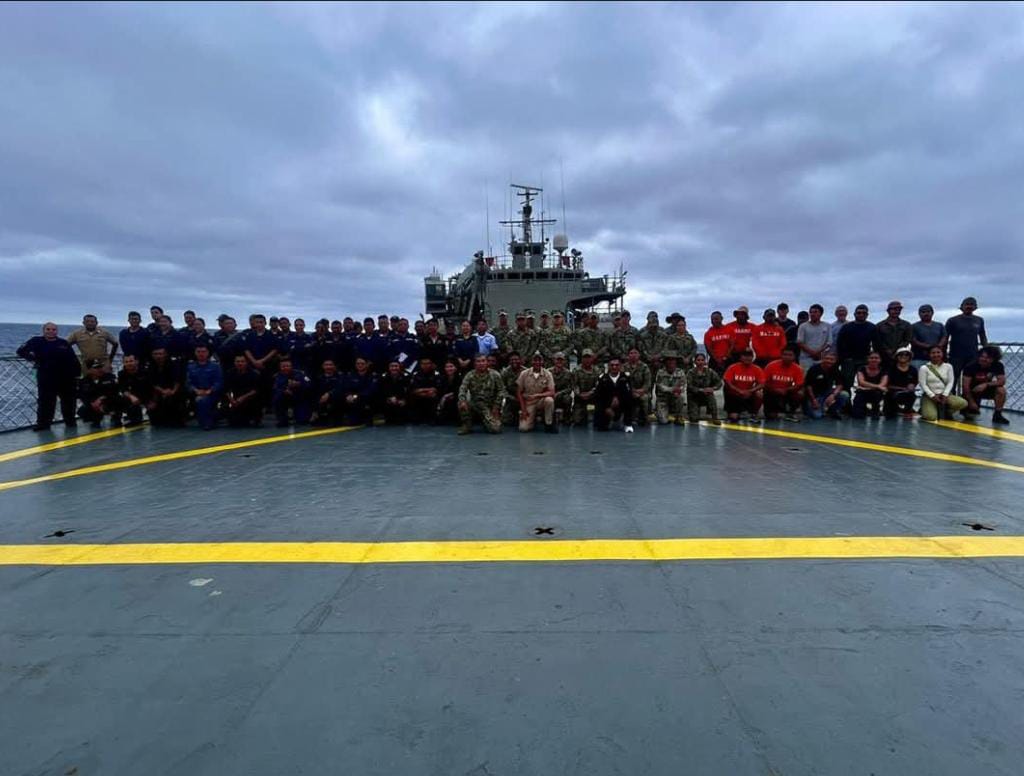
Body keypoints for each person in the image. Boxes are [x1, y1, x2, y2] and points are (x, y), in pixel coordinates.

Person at [17, 323, 81, 431]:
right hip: (46, 376)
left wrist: (77, 375)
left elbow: (73, 359)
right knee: (46, 401)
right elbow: (21, 351)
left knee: (69, 401)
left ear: (57, 331)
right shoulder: (36, 341)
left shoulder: (63, 343)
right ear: (43, 330)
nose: (51, 331)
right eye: (48, 329)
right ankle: (43, 424)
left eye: (53, 329)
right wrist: (33, 358)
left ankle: (70, 422)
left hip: (66, 377)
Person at [945, 296, 988, 387]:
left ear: (975, 307)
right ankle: (951, 396)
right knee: (952, 380)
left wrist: (987, 351)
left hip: (973, 356)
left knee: (972, 381)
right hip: (955, 356)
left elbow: (983, 336)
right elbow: (945, 338)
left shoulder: (979, 320)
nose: (969, 306)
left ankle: (969, 396)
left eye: (972, 304)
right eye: (967, 304)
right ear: (962, 306)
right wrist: (944, 353)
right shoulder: (952, 320)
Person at [962, 346, 1010, 425]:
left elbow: (1002, 381)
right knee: (970, 415)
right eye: (982, 356)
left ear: (994, 359)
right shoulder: (970, 366)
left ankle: (997, 414)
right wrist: (971, 402)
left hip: (985, 389)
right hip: (972, 391)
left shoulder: (998, 365)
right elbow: (965, 387)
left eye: (987, 358)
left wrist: (986, 384)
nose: (983, 359)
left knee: (1001, 390)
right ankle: (970, 407)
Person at [919, 345, 969, 421]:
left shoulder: (948, 366)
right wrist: (932, 395)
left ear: (942, 353)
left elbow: (950, 382)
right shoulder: (924, 368)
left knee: (963, 403)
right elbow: (923, 384)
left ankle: (947, 412)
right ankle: (926, 408)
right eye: (933, 353)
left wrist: (945, 394)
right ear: (929, 355)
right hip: (929, 396)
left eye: (938, 352)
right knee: (931, 417)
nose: (936, 355)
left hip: (944, 395)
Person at [457, 354, 504, 434]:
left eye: (483, 361)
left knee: (495, 429)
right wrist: (462, 400)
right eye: (478, 361)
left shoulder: (495, 374)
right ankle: (467, 425)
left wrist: (496, 406)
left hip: (490, 405)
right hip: (475, 403)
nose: (481, 363)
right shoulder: (470, 375)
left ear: (487, 362)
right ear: (474, 364)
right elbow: (462, 389)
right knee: (461, 403)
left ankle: (486, 421)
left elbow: (501, 391)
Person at [836, 304, 877, 388]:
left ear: (867, 315)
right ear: (854, 314)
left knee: (866, 383)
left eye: (864, 313)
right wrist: (844, 358)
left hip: (865, 359)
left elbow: (876, 344)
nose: (861, 315)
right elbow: (840, 344)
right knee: (847, 383)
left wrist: (872, 357)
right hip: (848, 360)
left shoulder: (872, 327)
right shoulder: (846, 327)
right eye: (859, 313)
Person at [516, 353, 557, 433]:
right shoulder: (524, 373)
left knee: (549, 400)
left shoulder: (548, 374)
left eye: (539, 360)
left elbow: (552, 392)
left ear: (542, 362)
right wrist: (523, 409)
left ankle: (549, 423)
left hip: (541, 401)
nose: (537, 362)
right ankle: (532, 420)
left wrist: (538, 395)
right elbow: (519, 392)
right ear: (531, 361)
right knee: (523, 428)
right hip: (529, 403)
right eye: (535, 360)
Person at [762, 346, 805, 421]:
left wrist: (786, 390)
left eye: (790, 355)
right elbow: (764, 382)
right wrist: (775, 389)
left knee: (800, 393)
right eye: (785, 354)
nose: (787, 357)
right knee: (771, 416)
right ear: (781, 355)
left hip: (787, 392)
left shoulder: (798, 369)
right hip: (771, 392)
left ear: (794, 357)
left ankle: (791, 411)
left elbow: (799, 384)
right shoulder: (771, 366)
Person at [147, 347, 186, 426]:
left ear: (165, 354)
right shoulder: (151, 366)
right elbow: (152, 383)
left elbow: (178, 380)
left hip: (174, 391)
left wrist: (172, 391)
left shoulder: (174, 364)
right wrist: (162, 391)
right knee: (155, 421)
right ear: (152, 355)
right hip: (159, 392)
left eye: (160, 354)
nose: (158, 356)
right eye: (155, 354)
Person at [186, 345, 223, 430]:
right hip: (195, 393)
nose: (201, 354)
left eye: (203, 352)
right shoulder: (190, 366)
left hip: (212, 393)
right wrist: (196, 391)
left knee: (203, 400)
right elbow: (188, 383)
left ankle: (207, 423)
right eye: (198, 352)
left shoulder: (215, 366)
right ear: (195, 353)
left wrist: (210, 390)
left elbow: (218, 382)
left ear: (208, 353)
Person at [593, 357, 634, 432]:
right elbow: (598, 395)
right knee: (602, 428)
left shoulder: (625, 377)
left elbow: (629, 393)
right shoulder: (602, 378)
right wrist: (607, 406)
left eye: (617, 365)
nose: (614, 367)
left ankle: (628, 424)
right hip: (607, 405)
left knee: (630, 401)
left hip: (621, 403)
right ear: (608, 366)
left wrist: (618, 399)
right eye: (612, 365)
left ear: (620, 366)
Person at [803, 352, 849, 420]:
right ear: (822, 359)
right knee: (817, 416)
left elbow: (840, 384)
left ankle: (832, 410)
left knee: (844, 394)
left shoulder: (835, 369)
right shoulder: (814, 369)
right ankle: (809, 408)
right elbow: (808, 386)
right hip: (814, 395)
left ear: (835, 360)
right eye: (827, 358)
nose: (829, 361)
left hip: (827, 393)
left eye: (831, 359)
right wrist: (813, 400)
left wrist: (833, 395)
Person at [76, 358, 120, 427]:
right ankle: (95, 420)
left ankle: (115, 416)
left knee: (118, 401)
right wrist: (91, 403)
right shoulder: (84, 382)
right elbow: (82, 395)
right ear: (89, 370)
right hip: (94, 404)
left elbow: (115, 391)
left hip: (108, 401)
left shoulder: (110, 377)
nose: (100, 369)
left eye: (100, 367)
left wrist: (101, 399)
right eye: (96, 368)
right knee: (83, 410)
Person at [723, 349, 764, 422]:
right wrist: (739, 391)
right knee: (734, 417)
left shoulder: (757, 369)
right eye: (745, 356)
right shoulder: (732, 367)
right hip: (734, 394)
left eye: (749, 356)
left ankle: (754, 413)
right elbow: (727, 382)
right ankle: (734, 411)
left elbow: (762, 384)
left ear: (752, 357)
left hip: (748, 394)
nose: (747, 358)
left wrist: (750, 391)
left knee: (759, 393)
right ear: (740, 357)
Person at [223, 355, 263, 427]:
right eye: (238, 361)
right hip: (235, 400)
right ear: (234, 363)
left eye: (242, 361)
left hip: (250, 399)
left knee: (258, 399)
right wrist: (231, 400)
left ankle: (256, 418)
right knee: (234, 423)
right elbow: (226, 389)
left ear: (246, 362)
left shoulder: (254, 374)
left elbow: (256, 390)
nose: (240, 363)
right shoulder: (230, 373)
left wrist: (242, 398)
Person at [272, 357, 312, 427]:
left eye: (287, 366)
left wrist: (299, 384)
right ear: (280, 367)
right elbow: (275, 388)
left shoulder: (300, 374)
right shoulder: (277, 376)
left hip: (300, 398)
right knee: (277, 397)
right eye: (283, 366)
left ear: (291, 366)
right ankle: (282, 419)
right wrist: (284, 391)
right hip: (285, 398)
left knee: (302, 421)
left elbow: (309, 384)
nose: (285, 368)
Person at [339, 357, 379, 425]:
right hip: (353, 401)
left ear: (367, 365)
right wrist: (348, 395)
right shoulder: (350, 375)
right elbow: (346, 387)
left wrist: (356, 396)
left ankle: (367, 416)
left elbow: (371, 390)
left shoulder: (373, 376)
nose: (360, 365)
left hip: (366, 401)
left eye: (362, 363)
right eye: (358, 363)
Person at [116, 354, 152, 426]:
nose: (129, 363)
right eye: (126, 362)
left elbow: (153, 387)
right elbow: (123, 389)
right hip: (133, 398)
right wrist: (131, 397)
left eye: (131, 361)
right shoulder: (121, 374)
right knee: (118, 399)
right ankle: (119, 417)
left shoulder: (146, 371)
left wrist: (152, 401)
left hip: (148, 396)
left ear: (137, 361)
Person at [686, 353, 722, 425]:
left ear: (705, 361)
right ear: (695, 362)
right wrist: (702, 390)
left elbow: (719, 383)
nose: (700, 362)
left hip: (707, 395)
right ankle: (693, 412)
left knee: (711, 397)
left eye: (702, 360)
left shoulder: (710, 371)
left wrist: (712, 388)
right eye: (698, 360)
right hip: (694, 396)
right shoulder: (690, 372)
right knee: (693, 419)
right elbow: (689, 386)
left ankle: (714, 417)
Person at [875, 300, 913, 368]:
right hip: (883, 357)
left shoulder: (906, 325)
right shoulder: (879, 325)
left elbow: (907, 340)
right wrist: (886, 350)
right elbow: (877, 341)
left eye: (899, 309)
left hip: (900, 356)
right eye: (894, 309)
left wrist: (896, 350)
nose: (896, 311)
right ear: (888, 311)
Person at [654, 351, 687, 426]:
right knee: (663, 421)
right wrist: (672, 389)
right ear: (665, 362)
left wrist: (679, 390)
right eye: (669, 359)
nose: (671, 361)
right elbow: (660, 386)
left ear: (676, 361)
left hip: (675, 397)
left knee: (681, 397)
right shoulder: (660, 372)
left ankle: (678, 416)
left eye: (673, 359)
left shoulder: (680, 372)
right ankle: (659, 412)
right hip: (663, 399)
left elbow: (684, 385)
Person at [851, 353, 888, 419]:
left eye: (876, 358)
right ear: (868, 359)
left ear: (880, 360)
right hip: (863, 393)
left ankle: (876, 411)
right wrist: (877, 387)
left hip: (876, 393)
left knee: (877, 393)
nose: (874, 359)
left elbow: (883, 384)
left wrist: (866, 388)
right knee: (857, 415)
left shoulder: (884, 370)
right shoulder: (861, 368)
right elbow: (861, 382)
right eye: (871, 358)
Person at [911, 304, 947, 370]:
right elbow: (913, 340)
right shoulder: (914, 326)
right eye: (923, 312)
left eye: (928, 312)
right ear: (919, 314)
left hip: (937, 358)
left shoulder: (940, 325)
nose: (926, 314)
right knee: (920, 375)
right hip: (919, 358)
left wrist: (938, 346)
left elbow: (944, 337)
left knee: (936, 376)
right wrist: (928, 346)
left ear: (932, 313)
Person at [885, 347, 918, 418]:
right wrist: (902, 389)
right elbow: (887, 385)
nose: (903, 356)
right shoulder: (890, 368)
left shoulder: (913, 370)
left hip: (907, 394)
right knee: (890, 415)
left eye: (906, 354)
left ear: (909, 357)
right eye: (901, 354)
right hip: (891, 394)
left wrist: (912, 386)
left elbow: (914, 382)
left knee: (912, 395)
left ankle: (907, 411)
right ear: (897, 356)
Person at [408, 357, 443, 424]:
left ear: (431, 364)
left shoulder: (436, 374)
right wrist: (425, 391)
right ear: (420, 365)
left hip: (431, 395)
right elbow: (413, 389)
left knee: (434, 396)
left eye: (427, 363)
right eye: (423, 364)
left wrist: (422, 390)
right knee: (412, 396)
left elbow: (437, 388)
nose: (425, 365)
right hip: (419, 395)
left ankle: (433, 418)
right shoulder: (415, 374)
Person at [571, 348, 601, 426]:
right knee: (577, 421)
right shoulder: (576, 370)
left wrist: (590, 393)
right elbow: (574, 385)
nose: (587, 360)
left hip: (593, 397)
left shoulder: (597, 371)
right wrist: (579, 394)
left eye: (589, 357)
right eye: (585, 357)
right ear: (581, 359)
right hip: (580, 398)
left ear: (592, 359)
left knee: (597, 420)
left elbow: (599, 385)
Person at [624, 347, 652, 426]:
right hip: (628, 391)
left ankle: (644, 418)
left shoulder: (644, 367)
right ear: (628, 355)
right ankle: (628, 417)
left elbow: (647, 383)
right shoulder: (624, 367)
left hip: (642, 391)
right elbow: (622, 382)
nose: (633, 355)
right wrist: (631, 391)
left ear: (639, 355)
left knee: (644, 398)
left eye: (635, 353)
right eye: (631, 353)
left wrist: (640, 391)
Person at [796, 304, 831, 369]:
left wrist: (818, 352)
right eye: (811, 312)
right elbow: (800, 342)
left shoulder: (827, 326)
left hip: (821, 358)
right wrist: (812, 353)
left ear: (821, 314)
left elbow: (829, 343)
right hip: (805, 358)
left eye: (815, 312)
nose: (812, 314)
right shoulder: (803, 326)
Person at [378, 360, 410, 425]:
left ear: (399, 367)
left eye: (396, 366)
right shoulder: (383, 377)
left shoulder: (406, 377)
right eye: (392, 366)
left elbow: (409, 390)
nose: (394, 368)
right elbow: (381, 390)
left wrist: (404, 400)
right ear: (388, 367)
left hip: (401, 400)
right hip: (388, 400)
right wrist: (388, 398)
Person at [703, 311, 732, 375]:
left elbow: (732, 345)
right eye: (712, 319)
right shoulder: (708, 333)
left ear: (721, 318)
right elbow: (709, 349)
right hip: (714, 361)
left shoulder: (729, 330)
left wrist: (726, 357)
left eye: (716, 319)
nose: (714, 321)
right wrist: (717, 360)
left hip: (728, 360)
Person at [500, 352, 525, 426]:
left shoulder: (525, 371)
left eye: (516, 359)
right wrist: (510, 397)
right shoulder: (505, 372)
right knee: (506, 421)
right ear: (509, 361)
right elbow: (502, 388)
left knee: (526, 422)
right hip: (510, 399)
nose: (514, 361)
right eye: (512, 360)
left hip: (524, 399)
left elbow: (530, 387)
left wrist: (523, 397)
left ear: (520, 360)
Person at [437, 360, 463, 425]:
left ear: (455, 368)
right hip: (444, 398)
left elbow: (459, 390)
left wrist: (447, 396)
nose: (449, 369)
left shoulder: (460, 378)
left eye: (451, 366)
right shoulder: (441, 378)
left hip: (456, 397)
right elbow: (440, 390)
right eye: (447, 367)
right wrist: (444, 396)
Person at [550, 352, 574, 425]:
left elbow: (570, 388)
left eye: (561, 360)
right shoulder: (548, 372)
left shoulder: (568, 373)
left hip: (562, 396)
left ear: (564, 361)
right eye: (557, 360)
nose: (559, 362)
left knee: (568, 399)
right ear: (554, 360)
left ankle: (566, 419)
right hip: (551, 395)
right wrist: (552, 393)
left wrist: (560, 393)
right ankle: (549, 419)